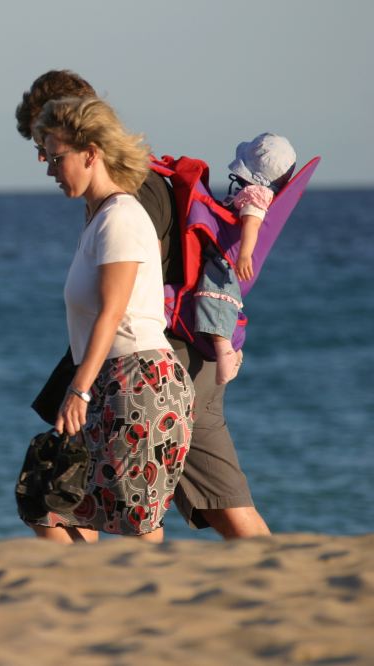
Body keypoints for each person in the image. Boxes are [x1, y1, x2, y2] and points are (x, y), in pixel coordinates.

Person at [16, 70, 272, 539]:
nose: (42, 160)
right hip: (130, 368)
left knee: (193, 507)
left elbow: (124, 302)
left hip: (157, 364)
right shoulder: (103, 206)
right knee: (66, 500)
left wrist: (79, 386)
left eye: (49, 147)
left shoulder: (129, 200)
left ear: (87, 143)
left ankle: (281, 589)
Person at [25, 96, 194, 543]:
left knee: (134, 523)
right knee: (50, 503)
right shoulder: (98, 218)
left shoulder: (121, 217)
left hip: (139, 380)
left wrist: (77, 388)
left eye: (57, 158)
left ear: (91, 153)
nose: (50, 171)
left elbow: (112, 311)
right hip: (111, 381)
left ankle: (145, 607)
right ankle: (91, 604)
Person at [194, 132, 297, 385]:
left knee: (213, 292)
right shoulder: (259, 193)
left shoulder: (256, 196)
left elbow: (250, 223)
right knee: (222, 299)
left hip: (226, 259)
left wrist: (243, 255)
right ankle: (232, 350)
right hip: (227, 254)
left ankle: (223, 348)